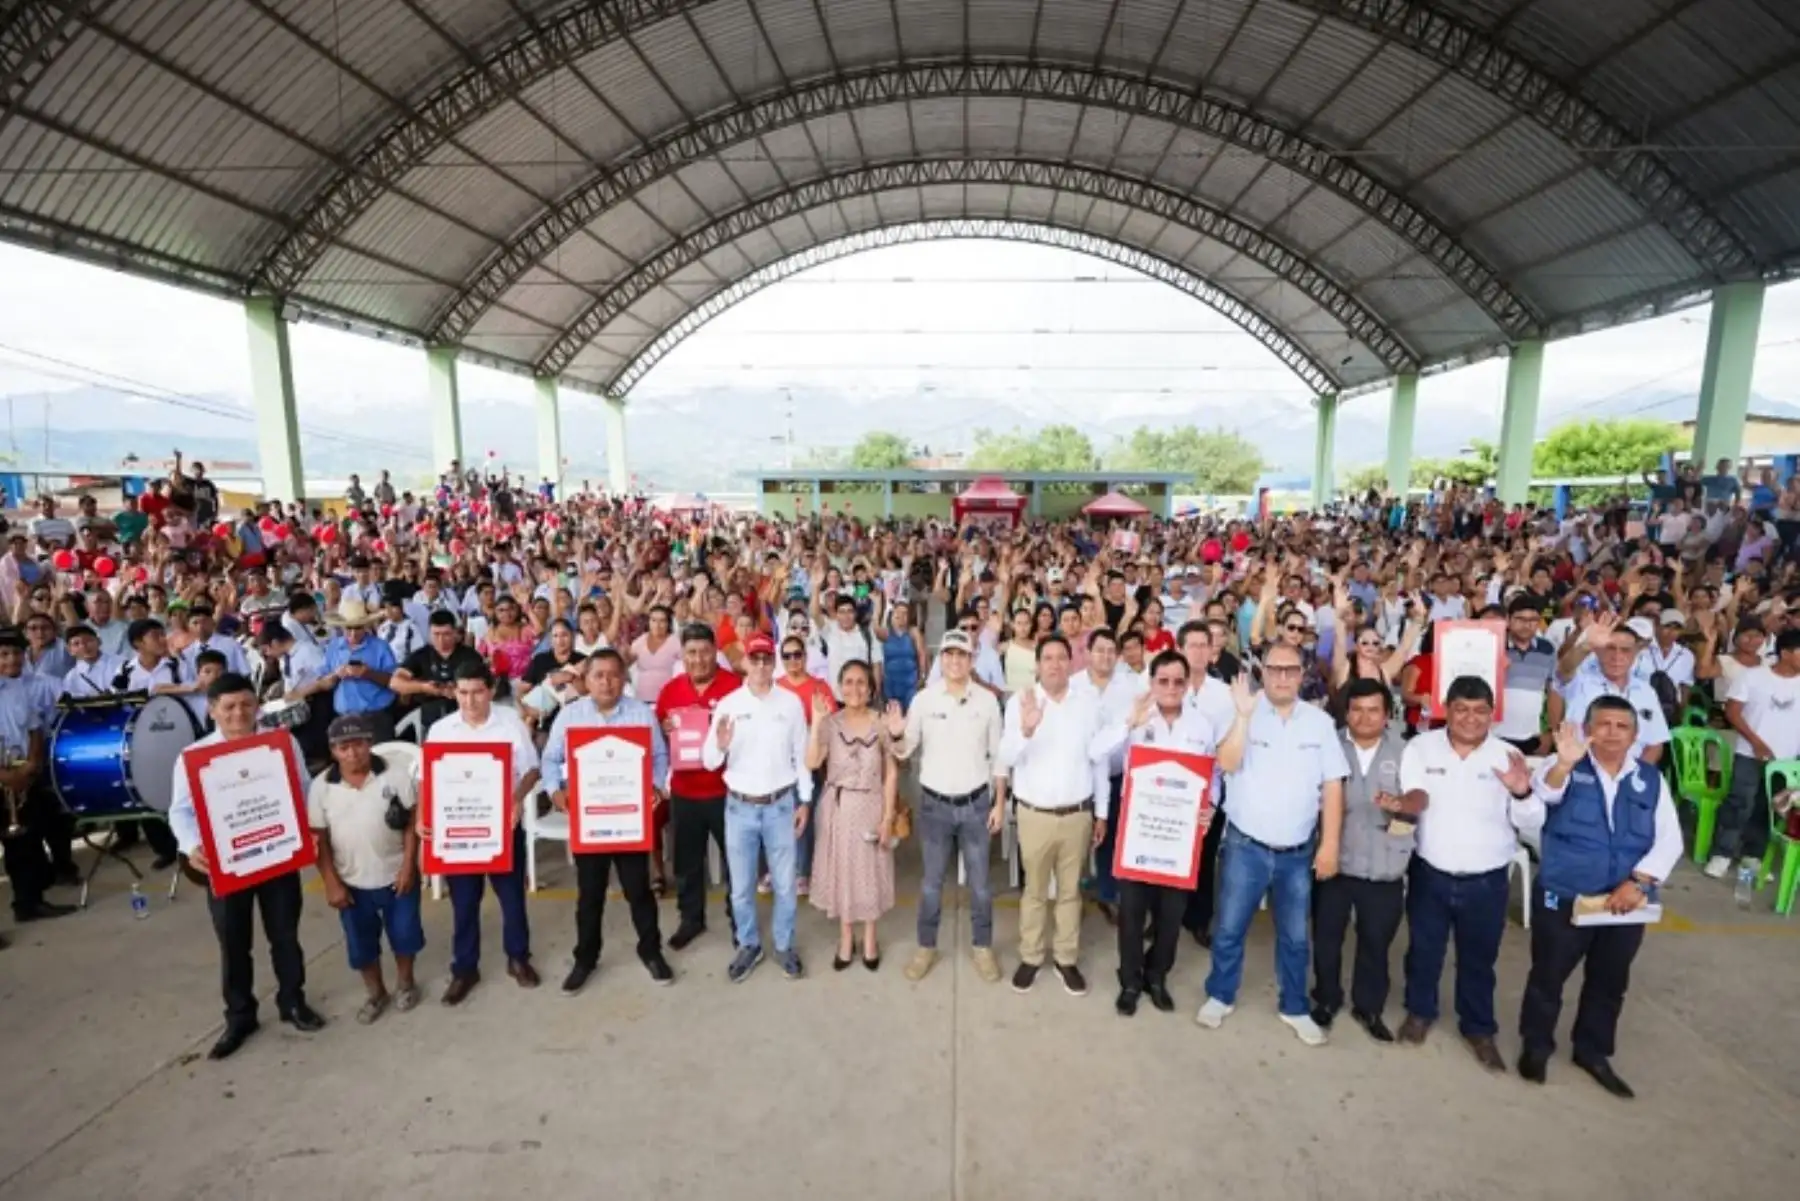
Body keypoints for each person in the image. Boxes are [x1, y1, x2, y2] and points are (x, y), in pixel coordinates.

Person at [1519, 702, 1683, 1097]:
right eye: (1603, 724)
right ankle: (1536, 1047)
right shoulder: (1562, 766)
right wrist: (1562, 763)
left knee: (1609, 981)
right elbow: (1542, 799)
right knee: (1548, 976)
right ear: (1588, 729)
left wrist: (1640, 883)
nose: (1612, 732)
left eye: (1621, 726)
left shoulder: (1649, 779)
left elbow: (1669, 839)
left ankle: (1592, 1051)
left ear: (1634, 735)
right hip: (1566, 896)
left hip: (1624, 902)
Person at [1196, 642, 1346, 1045]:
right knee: (1229, 927)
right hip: (1246, 846)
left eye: (1291, 669)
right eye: (1275, 669)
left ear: (1302, 674)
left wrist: (1329, 843)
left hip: (1297, 852)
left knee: (1296, 936)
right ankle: (1220, 993)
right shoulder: (1241, 709)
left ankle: (1294, 1005)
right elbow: (1225, 763)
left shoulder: (1318, 722)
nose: (1282, 677)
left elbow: (1333, 785)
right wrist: (1244, 718)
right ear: (1262, 670)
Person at [167, 672, 323, 1060]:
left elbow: (303, 790)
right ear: (213, 710)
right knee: (234, 943)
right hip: (227, 862)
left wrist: (307, 828)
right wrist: (190, 846)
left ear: (257, 706)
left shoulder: (281, 742)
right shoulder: (193, 757)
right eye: (229, 707)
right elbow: (180, 811)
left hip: (278, 852)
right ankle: (240, 1016)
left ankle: (292, 1001)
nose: (239, 714)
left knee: (285, 934)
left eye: (246, 705)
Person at [1397, 675, 1544, 1072]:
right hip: (1431, 871)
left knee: (1479, 959)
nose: (1470, 719)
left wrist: (1521, 791)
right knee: (1424, 951)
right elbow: (1412, 798)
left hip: (1487, 878)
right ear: (1447, 708)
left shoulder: (1508, 756)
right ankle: (1419, 1012)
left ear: (1492, 715)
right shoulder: (1421, 747)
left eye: (1480, 711)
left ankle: (1478, 1027)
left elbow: (1532, 825)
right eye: (1461, 709)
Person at [541, 650, 675, 993]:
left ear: (623, 679)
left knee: (638, 891)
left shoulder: (641, 714)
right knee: (590, 894)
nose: (606, 681)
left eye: (614, 675)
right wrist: (555, 791)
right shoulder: (570, 716)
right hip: (590, 821)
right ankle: (586, 957)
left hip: (629, 820)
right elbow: (551, 760)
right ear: (586, 680)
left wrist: (658, 786)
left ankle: (651, 951)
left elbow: (660, 756)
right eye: (598, 675)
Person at [998, 634, 1122, 997]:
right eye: (1047, 658)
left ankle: (1066, 958)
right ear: (1037, 664)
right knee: (1034, 892)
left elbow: (1098, 762)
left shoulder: (1088, 705)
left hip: (1077, 815)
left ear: (1072, 663)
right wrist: (1026, 730)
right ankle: (1031, 956)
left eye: (1060, 658)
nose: (1054, 664)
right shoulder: (1021, 702)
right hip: (1035, 814)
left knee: (1070, 893)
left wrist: (1101, 812)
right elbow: (1006, 756)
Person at [420, 660, 542, 1004]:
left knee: (512, 897)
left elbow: (531, 770)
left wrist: (517, 798)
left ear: (490, 691)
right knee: (463, 902)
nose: (470, 701)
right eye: (463, 693)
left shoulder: (510, 725)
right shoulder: (442, 730)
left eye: (477, 692)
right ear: (453, 692)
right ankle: (464, 968)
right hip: (459, 829)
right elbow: (427, 778)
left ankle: (518, 958)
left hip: (503, 825)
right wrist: (424, 815)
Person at [891, 628, 1006, 984]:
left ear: (972, 661)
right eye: (949, 654)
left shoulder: (987, 702)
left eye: (962, 655)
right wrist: (895, 733)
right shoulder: (924, 700)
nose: (955, 661)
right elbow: (904, 750)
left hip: (975, 804)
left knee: (981, 884)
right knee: (931, 883)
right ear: (941, 659)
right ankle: (927, 946)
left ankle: (982, 946)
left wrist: (999, 803)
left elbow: (998, 757)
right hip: (935, 806)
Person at [1311, 677, 1419, 1042]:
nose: (1364, 717)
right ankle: (1326, 999)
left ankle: (1368, 1007)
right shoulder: (1328, 746)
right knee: (1326, 937)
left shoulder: (1407, 752)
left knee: (1376, 941)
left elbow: (1420, 802)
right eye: (1356, 709)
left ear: (1387, 714)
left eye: (1374, 710)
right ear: (1347, 712)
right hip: (1335, 860)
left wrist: (1402, 808)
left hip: (1384, 863)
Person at [701, 632, 812, 982]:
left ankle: (784, 944)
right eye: (756, 659)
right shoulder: (729, 704)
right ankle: (749, 944)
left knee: (784, 883)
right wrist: (720, 746)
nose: (762, 665)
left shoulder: (791, 704)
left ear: (773, 661)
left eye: (767, 658)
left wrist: (804, 800)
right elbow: (707, 761)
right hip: (739, 808)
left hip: (780, 805)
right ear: (745, 662)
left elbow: (802, 757)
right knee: (741, 886)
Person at [1114, 650, 1213, 1017]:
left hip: (1180, 838)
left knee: (1171, 915)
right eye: (1163, 681)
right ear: (1151, 682)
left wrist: (1210, 806)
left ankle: (1157, 976)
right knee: (1132, 912)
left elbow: (1213, 775)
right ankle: (1129, 980)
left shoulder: (1201, 726)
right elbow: (1096, 754)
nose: (1170, 688)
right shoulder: (1137, 719)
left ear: (1187, 685)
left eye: (1177, 681)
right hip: (1139, 832)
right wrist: (1126, 724)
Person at [307, 713, 424, 1025]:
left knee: (405, 934)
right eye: (343, 747)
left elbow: (413, 821)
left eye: (358, 744)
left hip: (397, 873)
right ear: (333, 750)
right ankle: (376, 993)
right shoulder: (321, 787)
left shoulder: (395, 774)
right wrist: (331, 882)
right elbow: (318, 840)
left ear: (370, 744)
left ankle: (405, 984)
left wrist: (409, 866)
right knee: (361, 944)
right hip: (352, 881)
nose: (352, 753)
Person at [654, 623, 742, 949]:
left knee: (736, 861)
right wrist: (664, 729)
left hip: (726, 792)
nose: (699, 659)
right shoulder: (670, 691)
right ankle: (691, 919)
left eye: (705, 651)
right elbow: (661, 743)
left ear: (715, 652)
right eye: (692, 652)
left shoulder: (735, 688)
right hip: (685, 792)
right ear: (683, 655)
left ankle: (739, 921)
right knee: (687, 862)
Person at [808, 659, 898, 969]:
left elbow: (890, 773)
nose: (855, 688)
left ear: (871, 688)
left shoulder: (881, 722)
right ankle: (846, 937)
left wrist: (888, 817)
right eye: (848, 682)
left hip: (871, 805)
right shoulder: (831, 723)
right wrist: (817, 721)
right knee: (843, 873)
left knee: (871, 872)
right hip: (838, 807)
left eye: (861, 682)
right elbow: (811, 761)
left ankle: (870, 937)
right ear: (839, 687)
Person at [1714, 627, 1800, 899]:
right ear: (1785, 653)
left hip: (1786, 760)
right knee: (1740, 802)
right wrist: (1756, 742)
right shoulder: (1753, 677)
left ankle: (1753, 854)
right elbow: (1733, 712)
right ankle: (1722, 853)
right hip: (1749, 753)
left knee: (1769, 808)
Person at [0, 632, 76, 935]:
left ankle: (28, 904)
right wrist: (5, 776)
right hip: (4, 776)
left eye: (16, 653)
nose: (12, 660)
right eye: (4, 654)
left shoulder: (20, 688)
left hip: (21, 775)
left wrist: (31, 764)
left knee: (26, 844)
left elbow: (34, 728)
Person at [1073, 627, 1148, 923]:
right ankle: (1075, 892)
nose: (1104, 656)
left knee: (1112, 834)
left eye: (1110, 651)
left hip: (1118, 774)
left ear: (1117, 656)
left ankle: (1108, 892)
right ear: (1088, 653)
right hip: (1080, 775)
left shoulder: (1130, 687)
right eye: (1099, 650)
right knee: (1079, 835)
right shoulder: (1074, 685)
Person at [391, 610, 484, 737]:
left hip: (463, 713)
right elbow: (395, 682)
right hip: (428, 714)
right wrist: (424, 687)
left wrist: (458, 691)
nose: (441, 639)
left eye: (446, 634)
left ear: (455, 633)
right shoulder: (421, 655)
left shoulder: (469, 655)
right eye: (436, 634)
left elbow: (483, 684)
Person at [322, 597, 400, 743]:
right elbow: (323, 680)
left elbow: (393, 682)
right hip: (344, 717)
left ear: (365, 626)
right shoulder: (333, 647)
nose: (353, 633)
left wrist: (367, 673)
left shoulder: (380, 647)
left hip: (375, 716)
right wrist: (336, 675)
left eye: (357, 628)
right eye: (348, 628)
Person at [1493, 593, 1557, 755]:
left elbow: (1553, 691)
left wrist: (1550, 730)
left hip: (1532, 735)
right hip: (1492, 734)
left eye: (1533, 620)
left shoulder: (1547, 649)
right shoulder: (1492, 644)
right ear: (1508, 619)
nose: (1526, 625)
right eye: (1520, 619)